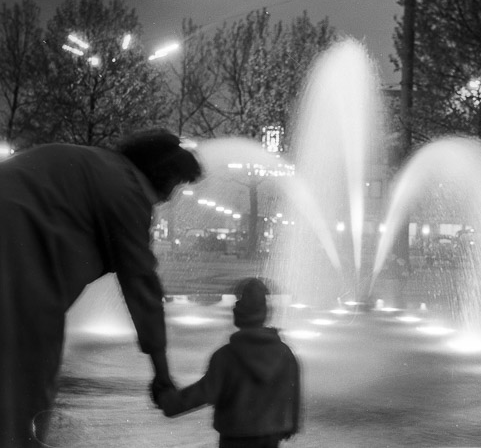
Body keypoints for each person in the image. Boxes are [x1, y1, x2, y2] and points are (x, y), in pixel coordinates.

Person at [0, 129, 203, 447]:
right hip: (15, 246)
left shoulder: (98, 167)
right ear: (162, 172)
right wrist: (162, 374)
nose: (173, 195)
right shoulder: (127, 189)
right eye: (177, 182)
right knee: (27, 363)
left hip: (16, 233)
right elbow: (141, 286)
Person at [154, 278, 301, 448]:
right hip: (269, 438)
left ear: (239, 313)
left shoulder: (226, 357)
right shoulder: (285, 355)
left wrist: (167, 401)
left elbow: (203, 393)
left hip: (234, 439)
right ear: (265, 313)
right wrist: (291, 424)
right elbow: (293, 391)